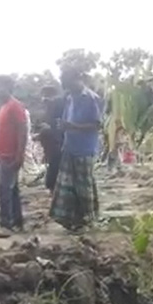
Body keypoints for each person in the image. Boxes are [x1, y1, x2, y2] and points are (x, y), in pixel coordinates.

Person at [50, 68, 103, 231]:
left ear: (78, 79)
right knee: (68, 186)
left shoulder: (92, 99)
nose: (68, 88)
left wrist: (73, 126)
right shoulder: (69, 99)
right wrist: (63, 127)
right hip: (70, 146)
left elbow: (97, 125)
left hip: (84, 148)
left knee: (84, 186)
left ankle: (87, 220)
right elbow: (66, 121)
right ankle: (71, 219)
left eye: (69, 84)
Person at [0, 76, 28, 237]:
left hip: (10, 155)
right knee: (12, 190)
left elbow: (22, 130)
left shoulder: (15, 106)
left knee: (4, 190)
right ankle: (17, 221)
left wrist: (19, 154)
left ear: (8, 87)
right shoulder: (3, 107)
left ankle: (6, 223)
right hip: (2, 155)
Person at [38, 85, 65, 191]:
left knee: (54, 171)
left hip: (57, 145)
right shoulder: (48, 110)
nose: (44, 99)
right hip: (51, 146)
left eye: (46, 96)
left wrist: (48, 129)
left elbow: (58, 128)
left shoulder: (58, 106)